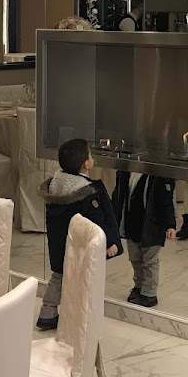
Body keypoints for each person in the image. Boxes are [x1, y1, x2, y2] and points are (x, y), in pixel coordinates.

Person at [36, 137, 122, 330]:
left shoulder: (55, 186)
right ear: (86, 164)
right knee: (82, 278)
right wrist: (109, 241)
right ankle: (77, 314)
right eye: (90, 155)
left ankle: (47, 311)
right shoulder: (86, 193)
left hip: (58, 242)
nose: (92, 158)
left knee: (58, 275)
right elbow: (97, 221)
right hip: (78, 245)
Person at [112, 170, 176, 307]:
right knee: (135, 259)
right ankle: (139, 286)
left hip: (152, 226)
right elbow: (118, 196)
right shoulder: (125, 173)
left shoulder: (159, 176)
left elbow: (166, 201)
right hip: (131, 225)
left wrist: (170, 225)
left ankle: (150, 293)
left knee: (150, 261)